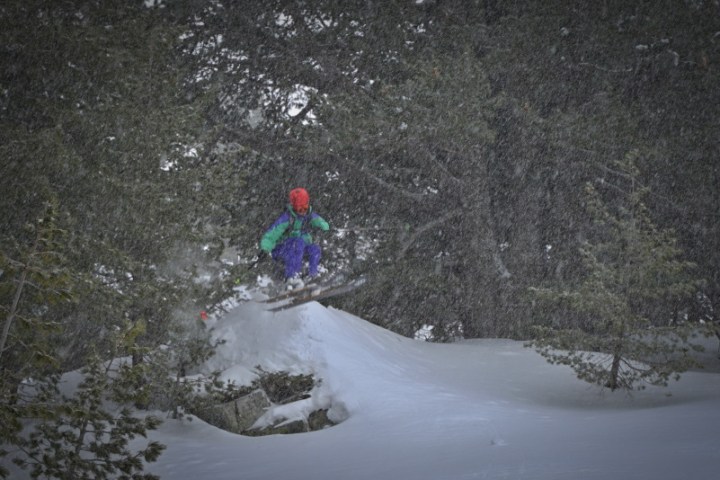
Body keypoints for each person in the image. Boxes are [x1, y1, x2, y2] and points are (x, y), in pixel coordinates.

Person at [260, 187, 330, 281]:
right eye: (300, 210)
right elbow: (272, 234)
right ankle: (292, 277)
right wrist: (265, 248)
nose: (303, 212)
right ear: (294, 207)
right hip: (283, 249)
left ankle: (312, 275)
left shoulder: (309, 216)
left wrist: (326, 228)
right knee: (297, 243)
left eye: (305, 208)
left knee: (314, 249)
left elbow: (320, 221)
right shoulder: (287, 219)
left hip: (300, 249)